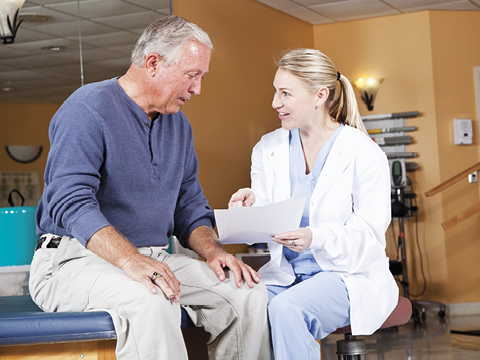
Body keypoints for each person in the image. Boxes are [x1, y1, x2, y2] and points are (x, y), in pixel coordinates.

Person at [29, 15, 270, 360]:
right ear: (153, 63)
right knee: (151, 297)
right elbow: (71, 202)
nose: (198, 88)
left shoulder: (178, 125)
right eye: (192, 75)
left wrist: (214, 251)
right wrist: (131, 260)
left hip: (153, 258)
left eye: (201, 77)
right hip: (72, 261)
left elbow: (189, 206)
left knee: (246, 292)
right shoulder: (87, 108)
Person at [229, 48, 399, 359]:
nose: (275, 103)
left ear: (320, 95)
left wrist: (314, 238)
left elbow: (369, 238)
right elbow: (261, 230)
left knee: (286, 310)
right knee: (237, 309)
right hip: (286, 274)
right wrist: (249, 209)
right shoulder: (268, 148)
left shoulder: (363, 152)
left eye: (285, 93)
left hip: (346, 275)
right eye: (275, 92)